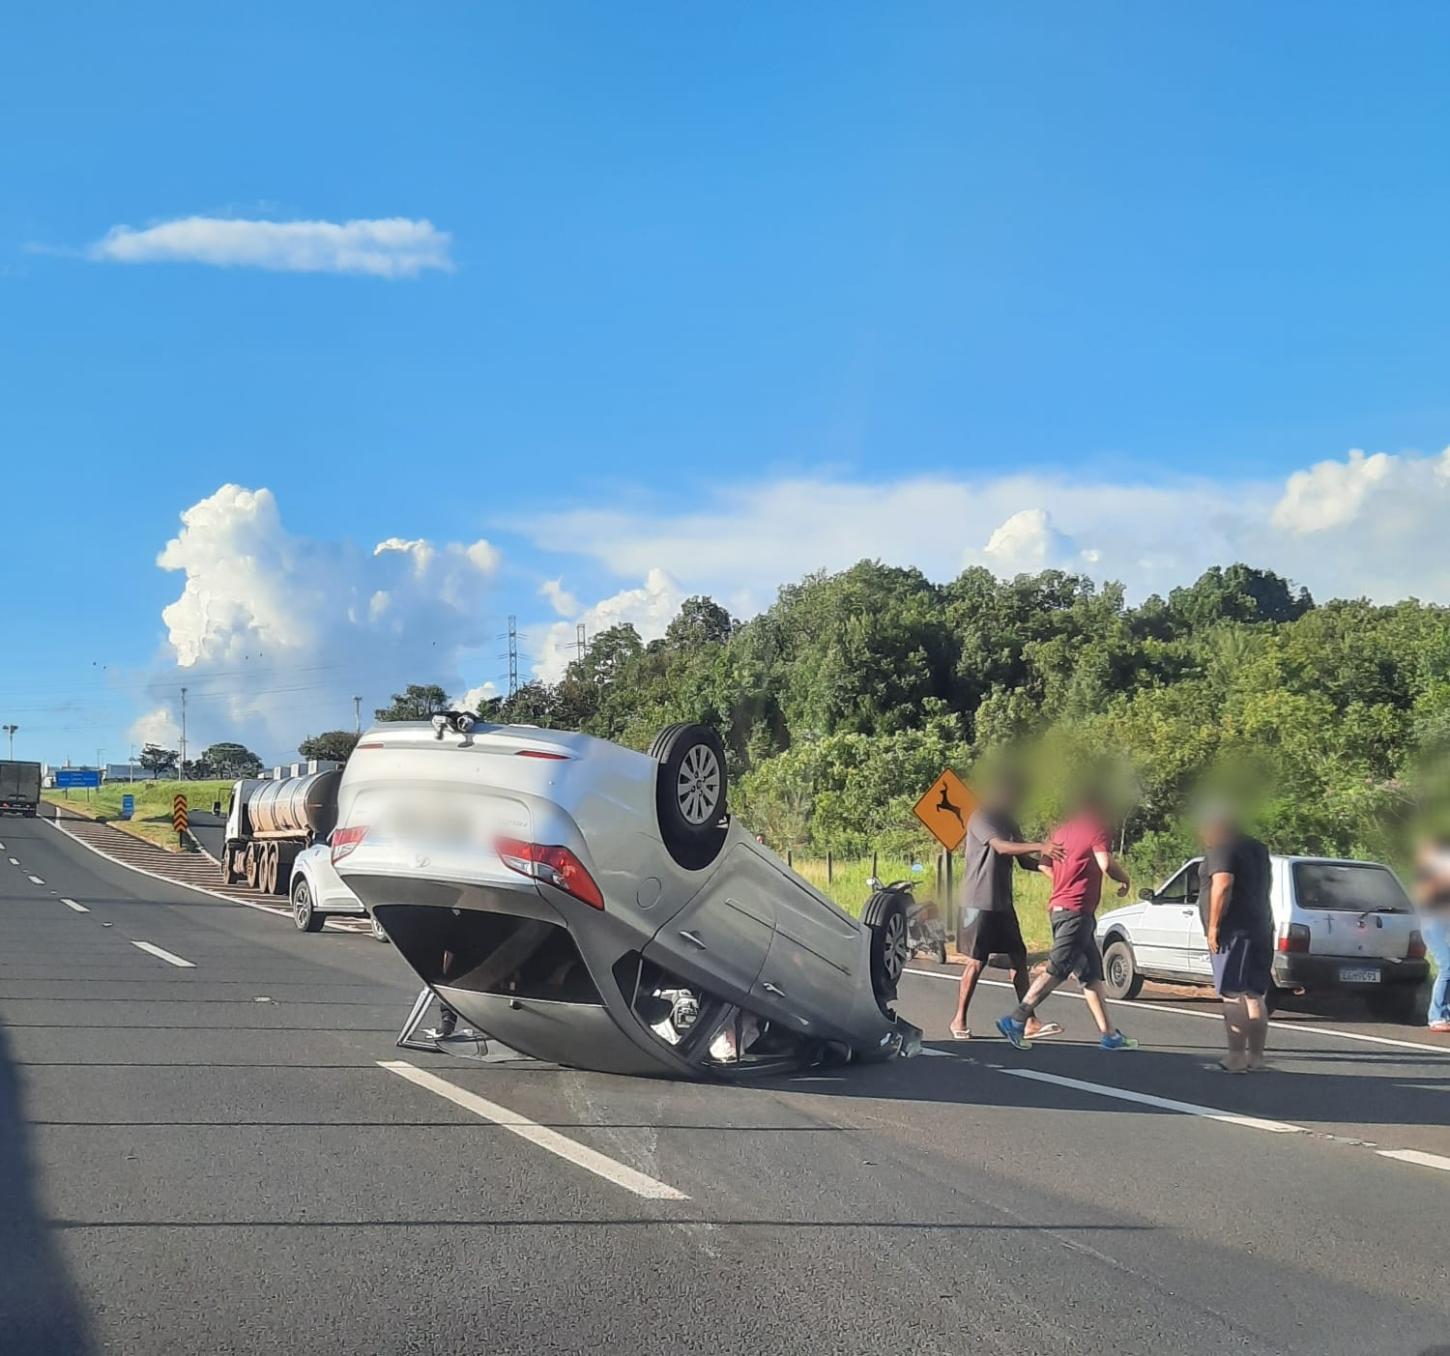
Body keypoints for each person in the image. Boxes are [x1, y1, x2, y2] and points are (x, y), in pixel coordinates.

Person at [996, 788, 1136, 1051]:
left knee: (1090, 974)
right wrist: (1125, 879)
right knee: (1057, 969)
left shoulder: (1061, 832)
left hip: (1062, 909)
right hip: (1076, 912)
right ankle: (1015, 1020)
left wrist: (1063, 883)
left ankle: (1109, 1035)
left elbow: (1043, 864)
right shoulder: (1096, 828)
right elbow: (1105, 863)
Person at [949, 774, 1063, 1040]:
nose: (1015, 801)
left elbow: (1024, 860)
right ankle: (958, 1019)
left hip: (1002, 902)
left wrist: (1055, 868)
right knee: (977, 961)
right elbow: (1000, 847)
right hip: (977, 901)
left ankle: (1029, 1020)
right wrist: (1040, 845)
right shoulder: (981, 817)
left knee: (1019, 957)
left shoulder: (1009, 821)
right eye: (1012, 795)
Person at [1198, 804, 1274, 1071]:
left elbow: (1223, 884)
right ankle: (1256, 1057)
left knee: (1232, 994)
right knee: (1255, 994)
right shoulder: (1257, 848)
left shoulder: (1223, 847)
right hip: (1260, 927)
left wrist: (1214, 927)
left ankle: (1235, 1057)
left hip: (1233, 931)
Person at [1413, 837, 1450, 1034]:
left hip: (1441, 925)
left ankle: (1446, 1014)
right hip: (1432, 925)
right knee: (1447, 966)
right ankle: (1436, 1016)